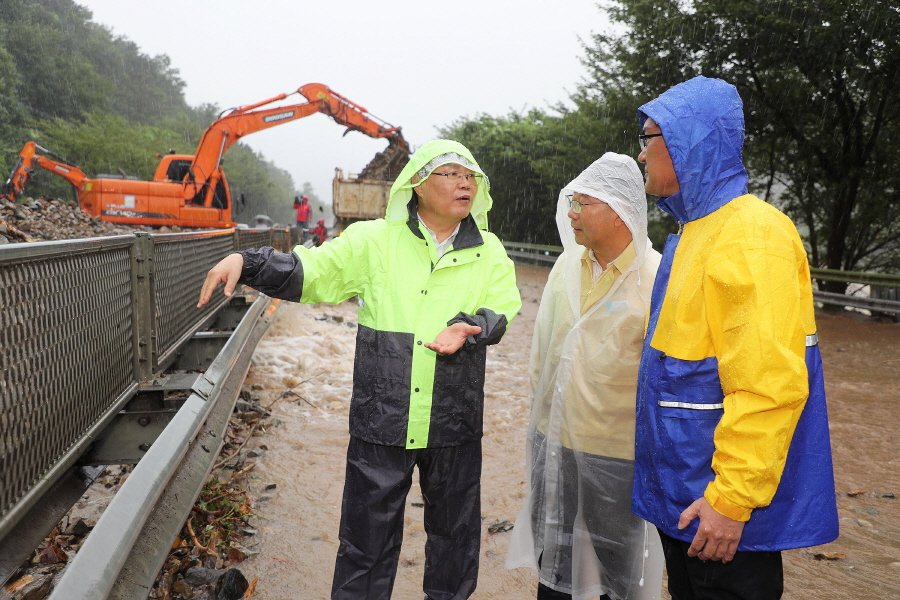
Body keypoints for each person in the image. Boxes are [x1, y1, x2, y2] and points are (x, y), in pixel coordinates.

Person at [198, 139, 522, 600]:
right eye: (450, 173)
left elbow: (504, 305)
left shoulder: (488, 251)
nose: (464, 182)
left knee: (456, 544)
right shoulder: (374, 241)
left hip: (453, 420)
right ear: (416, 184)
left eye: (470, 176)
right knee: (364, 547)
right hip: (382, 418)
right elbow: (312, 271)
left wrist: (472, 325)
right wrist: (247, 262)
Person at [632, 76, 839, 600]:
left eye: (647, 139)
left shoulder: (750, 234)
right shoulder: (694, 231)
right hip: (689, 498)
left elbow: (769, 385)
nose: (640, 156)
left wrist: (732, 499)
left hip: (722, 514)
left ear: (687, 141)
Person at [506, 153, 663, 600]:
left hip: (617, 458)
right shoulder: (564, 268)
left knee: (618, 573)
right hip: (552, 444)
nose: (571, 213)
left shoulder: (654, 279)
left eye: (583, 203)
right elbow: (541, 354)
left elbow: (660, 381)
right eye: (571, 202)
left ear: (619, 212)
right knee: (553, 565)